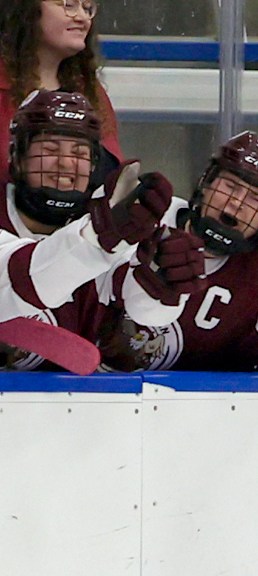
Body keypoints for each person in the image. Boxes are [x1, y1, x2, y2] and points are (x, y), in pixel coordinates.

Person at [99, 132, 258, 372]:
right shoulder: (149, 216)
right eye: (230, 186)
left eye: (256, 199)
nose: (237, 203)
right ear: (206, 184)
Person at [0, 90, 199, 369]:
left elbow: (145, 311)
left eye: (79, 153)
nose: (66, 164)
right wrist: (98, 237)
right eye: (50, 149)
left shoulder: (113, 224)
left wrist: (162, 283)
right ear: (17, 156)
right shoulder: (105, 228)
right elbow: (16, 274)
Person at [0, 0, 123, 183]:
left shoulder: (90, 92)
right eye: (69, 5)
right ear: (28, 9)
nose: (83, 18)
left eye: (87, 8)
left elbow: (110, 177)